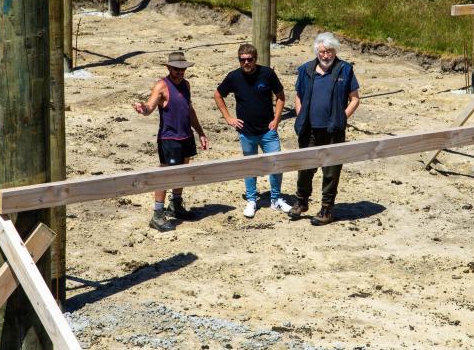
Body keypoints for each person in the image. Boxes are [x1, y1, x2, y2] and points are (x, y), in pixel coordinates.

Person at [133, 51, 209, 232]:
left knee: (182, 172)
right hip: (169, 138)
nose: (180, 72)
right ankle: (157, 214)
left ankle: (176, 205)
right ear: (168, 68)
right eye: (176, 69)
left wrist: (200, 132)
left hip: (186, 136)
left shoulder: (186, 85)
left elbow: (189, 110)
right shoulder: (162, 86)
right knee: (165, 175)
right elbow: (149, 107)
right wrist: (142, 108)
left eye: (183, 69)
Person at [290, 32, 360, 226]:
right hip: (309, 129)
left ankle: (327, 209)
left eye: (329, 51)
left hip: (333, 131)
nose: (326, 55)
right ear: (317, 52)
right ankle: (302, 201)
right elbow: (298, 95)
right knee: (305, 167)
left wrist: (341, 117)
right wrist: (300, 114)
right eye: (322, 52)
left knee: (331, 171)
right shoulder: (306, 70)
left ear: (334, 51)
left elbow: (355, 99)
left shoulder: (345, 69)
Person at [214, 44, 291, 218]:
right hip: (246, 131)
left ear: (256, 59)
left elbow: (280, 96)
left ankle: (276, 199)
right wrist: (228, 118)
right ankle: (251, 199)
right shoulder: (233, 77)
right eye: (243, 59)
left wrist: (277, 119)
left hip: (268, 130)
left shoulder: (267, 74)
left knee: (276, 163)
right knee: (250, 166)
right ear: (239, 60)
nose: (246, 62)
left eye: (250, 59)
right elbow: (218, 95)